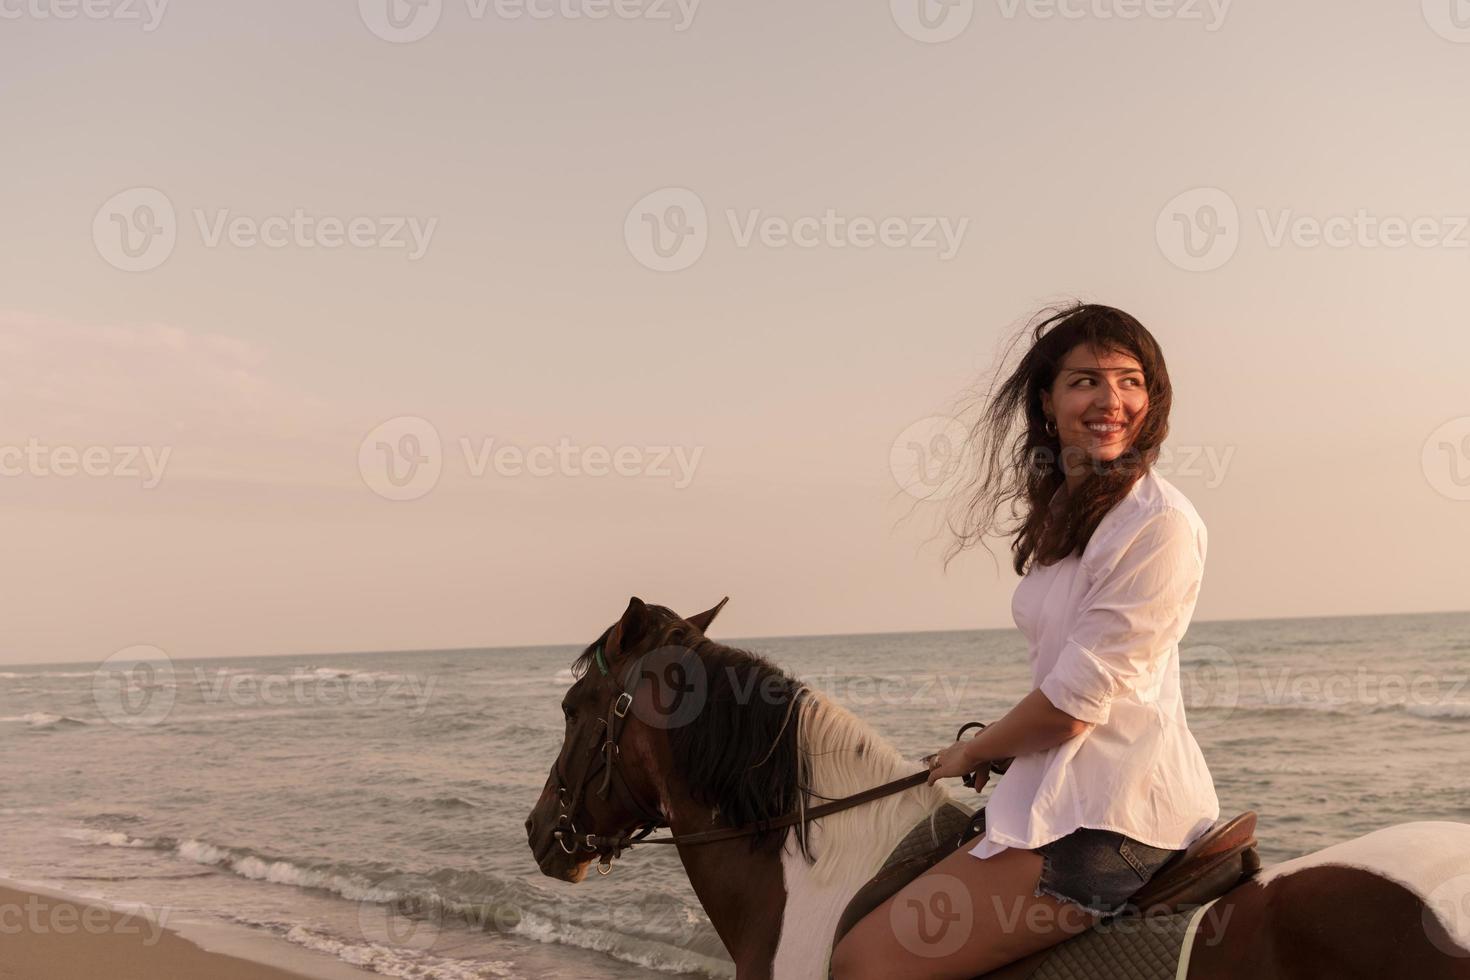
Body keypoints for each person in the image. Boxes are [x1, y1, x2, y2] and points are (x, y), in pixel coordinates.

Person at [831, 303, 1220, 980]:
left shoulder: (1156, 527)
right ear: (1048, 402)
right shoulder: (1070, 520)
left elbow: (1073, 706)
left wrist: (975, 749)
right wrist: (1009, 753)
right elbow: (1063, 676)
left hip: (1117, 818)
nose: (1110, 399)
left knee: (866, 962)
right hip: (1059, 791)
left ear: (1153, 400)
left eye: (1130, 381)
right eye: (1085, 381)